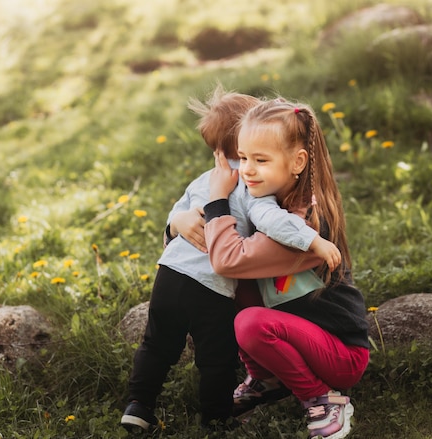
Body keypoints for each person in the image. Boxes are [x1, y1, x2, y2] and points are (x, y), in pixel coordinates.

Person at [120, 86, 341, 433]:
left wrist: (175, 223)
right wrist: (313, 240)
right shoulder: (254, 185)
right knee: (216, 357)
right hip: (208, 286)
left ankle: (138, 404)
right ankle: (217, 417)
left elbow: (177, 215)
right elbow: (272, 221)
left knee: (157, 343)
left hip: (169, 274)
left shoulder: (206, 179)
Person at [202, 97, 370, 439]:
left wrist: (217, 205)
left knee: (248, 320)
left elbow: (224, 259)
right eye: (244, 157)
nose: (247, 169)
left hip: (340, 355)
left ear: (297, 162)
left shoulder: (305, 224)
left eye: (261, 160)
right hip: (297, 337)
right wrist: (178, 222)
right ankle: (266, 379)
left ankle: (323, 397)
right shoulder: (267, 202)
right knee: (223, 289)